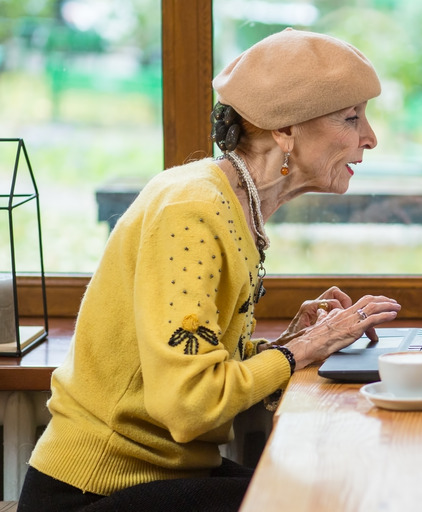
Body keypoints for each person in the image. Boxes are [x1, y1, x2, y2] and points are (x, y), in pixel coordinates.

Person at [18, 29, 402, 511]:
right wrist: (304, 350)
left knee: (343, 487)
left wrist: (288, 344)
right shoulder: (193, 211)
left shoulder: (232, 204)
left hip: (161, 474)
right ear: (284, 129)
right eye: (351, 118)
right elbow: (189, 403)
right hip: (97, 489)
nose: (370, 137)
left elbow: (198, 360)